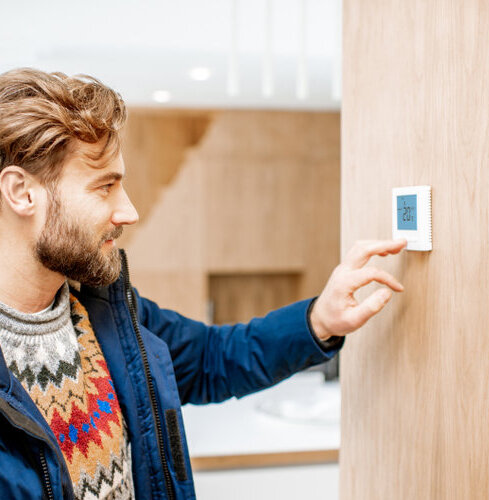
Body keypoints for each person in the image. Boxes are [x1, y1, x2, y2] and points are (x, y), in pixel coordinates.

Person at [0, 68, 406, 500]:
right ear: (22, 193)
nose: (129, 211)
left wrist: (320, 320)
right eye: (106, 186)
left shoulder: (110, 314)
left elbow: (215, 358)